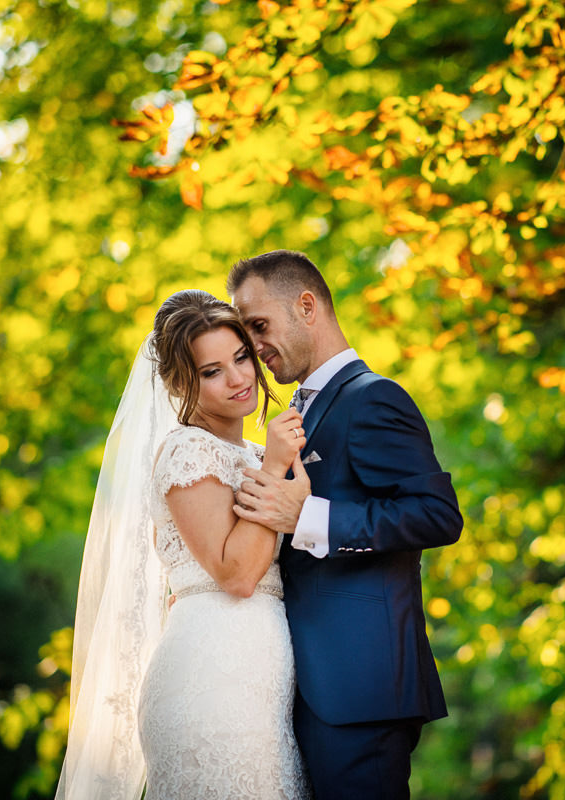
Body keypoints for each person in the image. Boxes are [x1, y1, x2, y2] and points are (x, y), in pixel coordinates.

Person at [56, 289, 311, 800]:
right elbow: (236, 574)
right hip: (209, 682)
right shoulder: (186, 450)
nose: (239, 379)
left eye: (241, 357)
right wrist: (274, 468)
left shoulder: (256, 452)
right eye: (212, 371)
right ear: (180, 383)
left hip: (260, 682)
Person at [227, 250, 464, 799]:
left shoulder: (373, 398)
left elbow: (437, 514)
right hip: (306, 687)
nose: (255, 349)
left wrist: (306, 517)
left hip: (362, 690)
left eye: (259, 326)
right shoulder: (301, 411)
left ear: (306, 307)